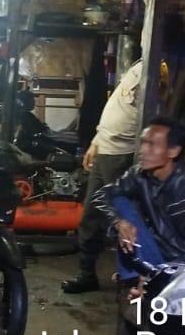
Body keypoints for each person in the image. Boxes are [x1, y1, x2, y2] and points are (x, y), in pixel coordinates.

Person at [95, 115, 185, 283]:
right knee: (119, 200)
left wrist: (167, 271)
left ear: (173, 151)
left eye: (152, 145)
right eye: (143, 143)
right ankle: (134, 277)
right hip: (160, 251)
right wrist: (118, 222)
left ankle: (148, 278)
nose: (142, 150)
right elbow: (103, 195)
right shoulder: (138, 174)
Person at [62, 58, 145, 293]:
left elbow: (149, 113)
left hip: (120, 153)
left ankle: (133, 277)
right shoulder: (139, 65)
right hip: (106, 149)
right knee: (91, 214)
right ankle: (87, 273)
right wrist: (96, 142)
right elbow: (117, 109)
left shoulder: (157, 66)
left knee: (123, 218)